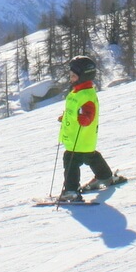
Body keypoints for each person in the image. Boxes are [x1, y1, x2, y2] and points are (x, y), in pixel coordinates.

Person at [56, 55, 117, 201]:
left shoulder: (87, 95)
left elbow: (88, 112)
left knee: (70, 161)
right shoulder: (78, 92)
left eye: (73, 76)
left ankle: (71, 190)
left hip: (78, 139)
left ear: (83, 76)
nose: (71, 78)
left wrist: (85, 118)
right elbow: (75, 110)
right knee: (91, 156)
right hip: (82, 139)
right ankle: (105, 176)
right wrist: (65, 117)